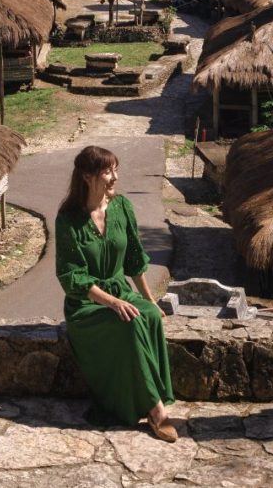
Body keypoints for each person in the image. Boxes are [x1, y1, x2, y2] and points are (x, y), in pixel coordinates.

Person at [54, 145, 176, 441]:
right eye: (107, 171)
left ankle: (146, 399)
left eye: (115, 170)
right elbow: (72, 276)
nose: (114, 177)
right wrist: (111, 302)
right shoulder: (68, 219)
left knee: (149, 316)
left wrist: (149, 300)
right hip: (87, 304)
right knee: (130, 322)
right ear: (86, 176)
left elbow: (134, 260)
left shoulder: (122, 208)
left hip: (121, 291)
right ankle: (156, 410)